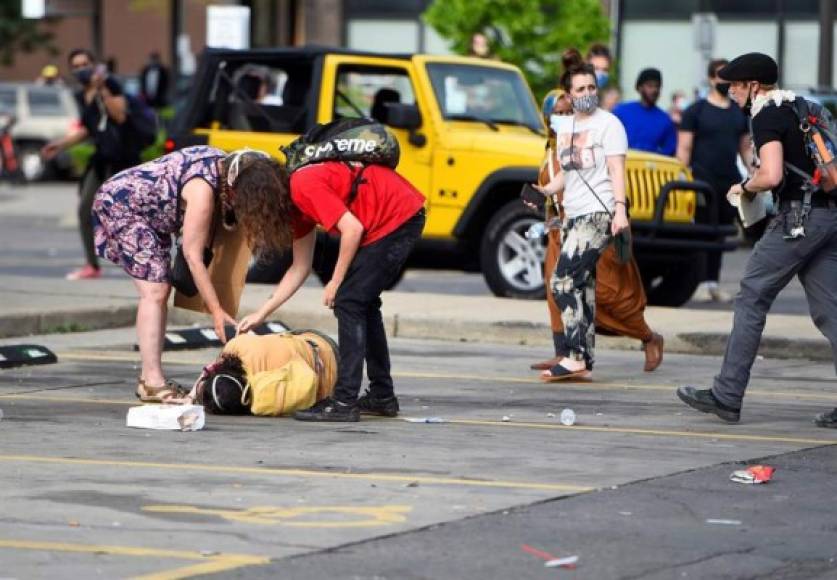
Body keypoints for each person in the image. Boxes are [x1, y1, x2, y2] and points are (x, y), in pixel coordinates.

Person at [677, 53, 837, 428]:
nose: (729, 91)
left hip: (798, 218)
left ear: (752, 86)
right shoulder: (804, 106)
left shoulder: (766, 114)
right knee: (831, 309)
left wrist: (744, 186)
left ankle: (727, 395)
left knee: (751, 293)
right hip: (829, 216)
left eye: (734, 85)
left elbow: (771, 173)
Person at [91, 147, 295, 402]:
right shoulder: (202, 191)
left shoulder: (224, 168)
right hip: (121, 205)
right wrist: (216, 311)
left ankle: (148, 378)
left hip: (149, 215)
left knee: (159, 289)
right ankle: (152, 382)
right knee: (156, 291)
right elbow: (193, 256)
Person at [236, 159, 426, 422]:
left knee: (349, 301)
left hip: (397, 215)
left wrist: (335, 282)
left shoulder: (303, 186)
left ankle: (344, 401)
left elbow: (352, 229)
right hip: (394, 216)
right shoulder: (296, 209)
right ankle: (382, 395)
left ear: (263, 198)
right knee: (362, 302)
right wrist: (261, 313)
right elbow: (299, 268)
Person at [531, 86, 663, 376]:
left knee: (608, 295)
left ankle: (648, 337)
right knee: (559, 294)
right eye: (558, 113)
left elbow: (612, 181)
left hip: (592, 227)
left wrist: (618, 217)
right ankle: (567, 354)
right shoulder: (550, 149)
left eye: (568, 112)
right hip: (560, 232)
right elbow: (552, 196)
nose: (564, 117)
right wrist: (548, 222)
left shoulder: (588, 143)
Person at [533, 49, 631, 381]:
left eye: (591, 88)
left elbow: (617, 170)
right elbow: (568, 174)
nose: (587, 94)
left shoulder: (610, 124)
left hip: (600, 211)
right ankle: (584, 360)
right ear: (569, 95)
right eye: (580, 89)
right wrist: (546, 191)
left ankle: (573, 356)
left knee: (561, 282)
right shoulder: (565, 127)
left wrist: (620, 211)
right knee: (582, 285)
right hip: (574, 213)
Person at [41, 48, 142, 281]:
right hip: (101, 159)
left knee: (130, 213)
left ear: (94, 65)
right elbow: (89, 128)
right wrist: (60, 144)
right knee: (85, 209)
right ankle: (91, 265)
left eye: (85, 63)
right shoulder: (80, 95)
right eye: (76, 66)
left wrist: (102, 89)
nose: (81, 69)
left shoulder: (111, 85)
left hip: (123, 160)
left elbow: (120, 116)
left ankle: (142, 259)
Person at [677, 59, 751, 303]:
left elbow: (745, 148)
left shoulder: (738, 112)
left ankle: (713, 282)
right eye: (721, 77)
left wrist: (754, 175)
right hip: (700, 180)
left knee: (720, 232)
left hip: (728, 181)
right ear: (711, 79)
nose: (725, 83)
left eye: (729, 78)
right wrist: (681, 179)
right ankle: (697, 282)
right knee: (702, 232)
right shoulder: (696, 111)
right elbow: (684, 149)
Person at [175, 330, 337, 416]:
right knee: (275, 340)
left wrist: (191, 398)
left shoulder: (258, 401)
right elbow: (210, 369)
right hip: (320, 344)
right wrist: (191, 395)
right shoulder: (237, 346)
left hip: (328, 388)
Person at [613, 68, 677, 156]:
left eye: (657, 86)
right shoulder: (621, 112)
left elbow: (669, 150)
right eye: (650, 86)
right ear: (639, 88)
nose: (654, 90)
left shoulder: (665, 120)